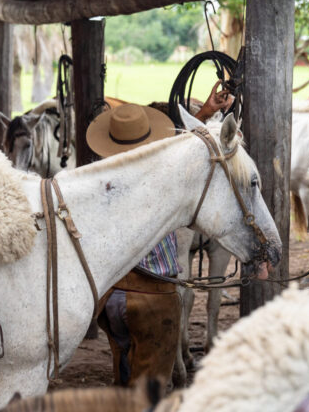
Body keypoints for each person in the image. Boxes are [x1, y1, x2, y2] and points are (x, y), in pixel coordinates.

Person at [86, 82, 232, 389]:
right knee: (152, 386)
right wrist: (207, 113)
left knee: (124, 371)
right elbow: (189, 145)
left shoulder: (99, 176)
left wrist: (205, 111)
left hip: (112, 296)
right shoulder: (161, 171)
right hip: (153, 294)